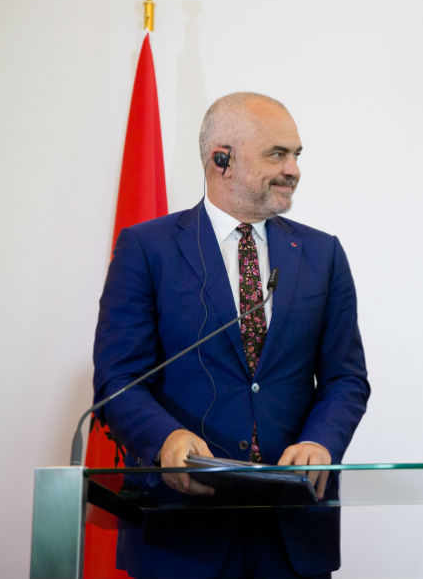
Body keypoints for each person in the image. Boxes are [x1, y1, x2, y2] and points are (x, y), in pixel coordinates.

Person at [93, 92, 371, 578]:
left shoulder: (322, 254)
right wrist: (165, 437)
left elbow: (345, 379)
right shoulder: (147, 248)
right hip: (181, 534)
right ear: (222, 159)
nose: (293, 170)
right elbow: (119, 378)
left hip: (292, 531)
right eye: (276, 154)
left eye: (296, 155)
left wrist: (321, 442)